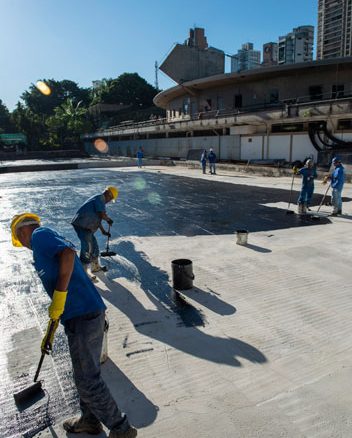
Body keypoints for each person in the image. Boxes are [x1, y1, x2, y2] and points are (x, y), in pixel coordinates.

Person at [10, 213, 137, 438]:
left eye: (20, 242)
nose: (25, 246)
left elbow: (69, 254)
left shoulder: (40, 235)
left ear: (21, 231)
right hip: (80, 315)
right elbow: (61, 288)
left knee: (88, 380)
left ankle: (121, 428)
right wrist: (51, 328)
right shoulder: (41, 250)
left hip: (84, 314)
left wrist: (59, 297)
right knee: (84, 373)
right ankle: (89, 419)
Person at [71, 186, 118, 274]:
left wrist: (103, 231)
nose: (109, 201)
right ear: (109, 194)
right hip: (82, 225)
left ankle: (95, 267)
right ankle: (83, 272)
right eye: (111, 199)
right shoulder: (100, 198)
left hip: (87, 227)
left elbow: (98, 219)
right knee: (87, 248)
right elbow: (102, 214)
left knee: (95, 247)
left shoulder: (100, 201)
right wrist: (108, 219)